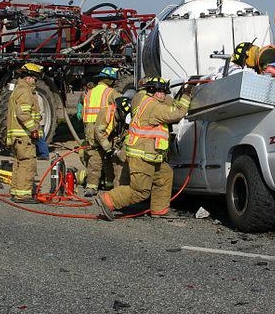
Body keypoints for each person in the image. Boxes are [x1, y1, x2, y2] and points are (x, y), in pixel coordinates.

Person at [95, 77, 192, 221]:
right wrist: (187, 95)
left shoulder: (147, 101)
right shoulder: (153, 107)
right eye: (162, 92)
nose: (164, 95)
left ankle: (159, 209)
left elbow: (170, 106)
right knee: (140, 191)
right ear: (153, 91)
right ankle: (108, 200)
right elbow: (176, 113)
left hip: (151, 155)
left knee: (165, 175)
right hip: (142, 156)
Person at [5, 63, 44, 204]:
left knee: (19, 164)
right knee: (27, 164)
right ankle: (23, 195)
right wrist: (34, 129)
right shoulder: (25, 92)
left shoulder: (18, 89)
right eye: (35, 79)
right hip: (24, 136)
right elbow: (23, 114)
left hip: (18, 137)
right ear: (29, 78)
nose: (35, 82)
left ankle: (16, 191)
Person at [82, 67, 121, 197]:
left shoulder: (89, 92)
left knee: (94, 157)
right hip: (105, 128)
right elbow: (121, 107)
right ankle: (109, 184)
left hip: (89, 128)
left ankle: (92, 186)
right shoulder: (111, 92)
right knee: (109, 155)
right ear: (109, 80)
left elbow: (83, 112)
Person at [93, 96, 132, 189]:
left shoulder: (124, 117)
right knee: (95, 162)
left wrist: (117, 149)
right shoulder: (105, 113)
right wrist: (107, 148)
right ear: (119, 111)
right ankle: (91, 186)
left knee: (117, 163)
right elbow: (99, 132)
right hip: (97, 142)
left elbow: (124, 133)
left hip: (111, 141)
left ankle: (115, 188)